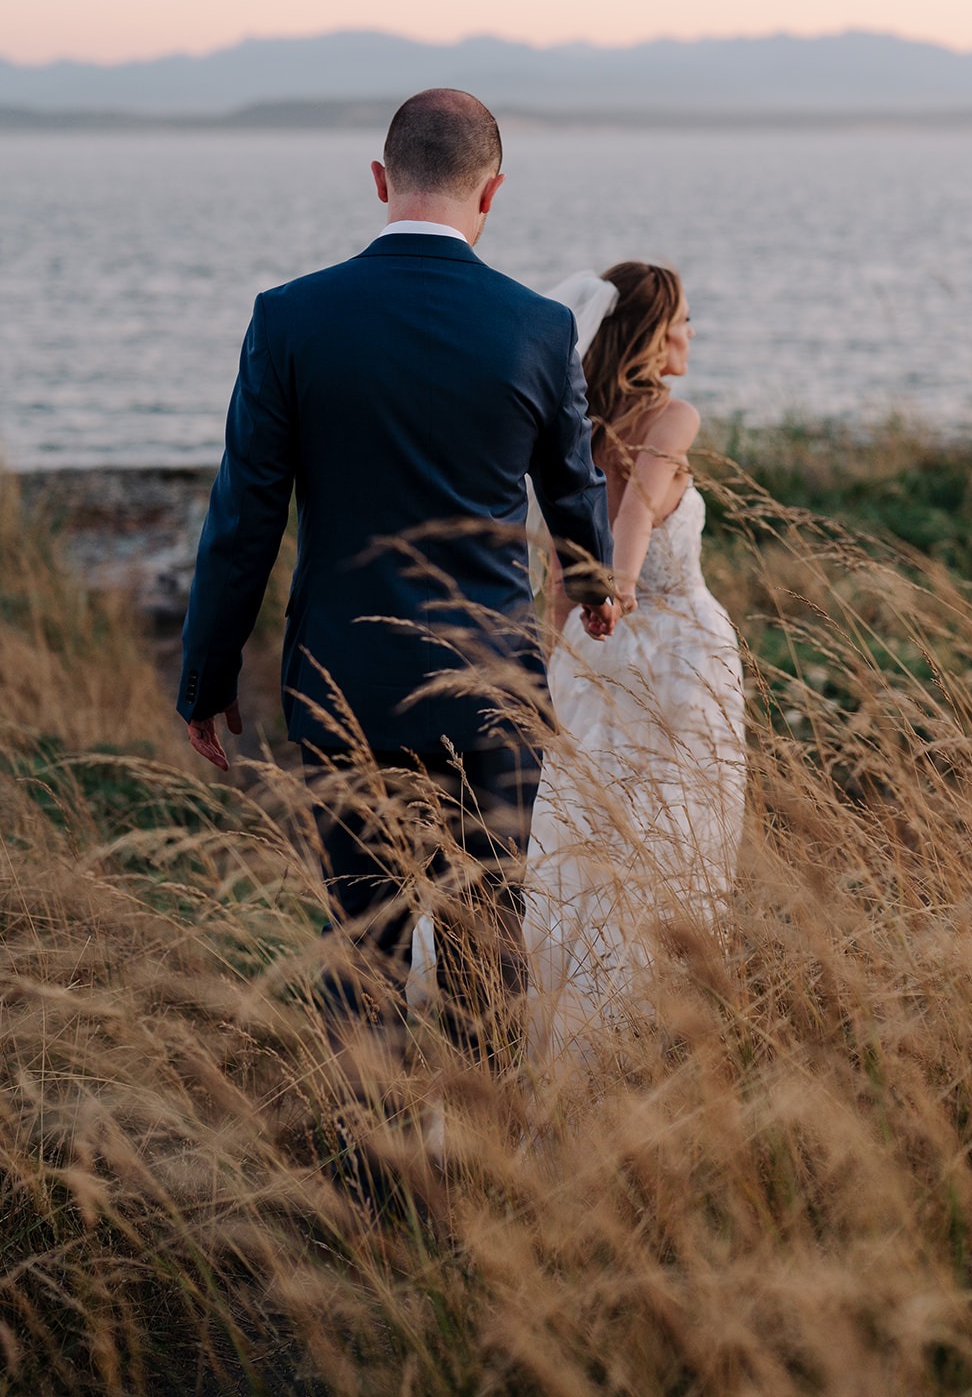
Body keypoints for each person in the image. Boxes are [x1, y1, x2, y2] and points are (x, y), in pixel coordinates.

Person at [177, 90, 619, 1167]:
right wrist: (596, 583)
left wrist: (206, 676)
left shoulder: (290, 318)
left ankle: (365, 1186)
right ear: (491, 193)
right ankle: (478, 1179)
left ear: (380, 180)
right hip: (489, 691)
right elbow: (570, 493)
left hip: (344, 684)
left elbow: (244, 516)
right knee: (483, 942)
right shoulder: (537, 325)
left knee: (362, 939)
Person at [525, 262, 745, 1070]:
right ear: (651, 335)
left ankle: (577, 1003)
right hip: (678, 662)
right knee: (674, 835)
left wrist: (557, 665)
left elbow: (558, 570)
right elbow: (638, 508)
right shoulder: (673, 417)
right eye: (683, 319)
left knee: (586, 836)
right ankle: (648, 1018)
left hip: (589, 655)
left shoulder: (576, 431)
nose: (691, 333)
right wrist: (616, 588)